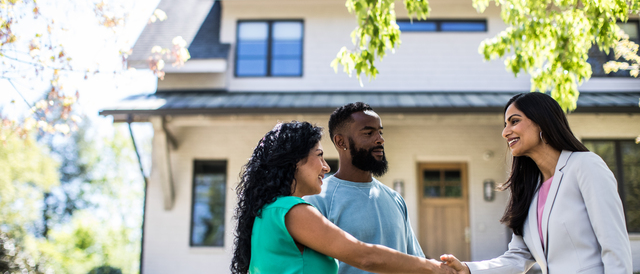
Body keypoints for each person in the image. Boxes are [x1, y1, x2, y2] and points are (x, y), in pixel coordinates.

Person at [440, 92, 632, 274]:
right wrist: (468, 269)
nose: (505, 132)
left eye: (514, 121)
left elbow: (614, 243)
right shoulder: (530, 191)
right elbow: (518, 258)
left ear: (542, 122)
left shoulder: (585, 165)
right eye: (505, 124)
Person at [230, 121, 454, 274]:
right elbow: (364, 256)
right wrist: (433, 267)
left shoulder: (267, 212)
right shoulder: (294, 211)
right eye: (319, 156)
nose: (326, 167)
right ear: (294, 162)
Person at [305, 102, 425, 274]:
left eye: (380, 132)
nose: (380, 139)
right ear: (341, 142)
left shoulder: (395, 199)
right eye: (369, 133)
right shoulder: (317, 199)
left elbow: (416, 262)